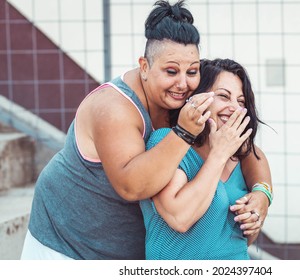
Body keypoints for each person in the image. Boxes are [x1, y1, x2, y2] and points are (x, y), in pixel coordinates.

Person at [21, 0, 271, 260]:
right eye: (171, 71)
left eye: (192, 71)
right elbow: (132, 187)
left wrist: (262, 193)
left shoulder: (180, 102)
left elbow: (249, 153)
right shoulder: (115, 108)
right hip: (64, 246)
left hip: (124, 254)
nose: (183, 83)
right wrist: (185, 133)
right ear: (144, 67)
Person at [140, 58, 272, 259]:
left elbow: (242, 238)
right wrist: (219, 154)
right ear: (197, 98)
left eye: (241, 101)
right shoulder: (166, 142)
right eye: (223, 96)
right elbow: (180, 218)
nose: (234, 108)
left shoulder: (245, 156)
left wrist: (260, 201)